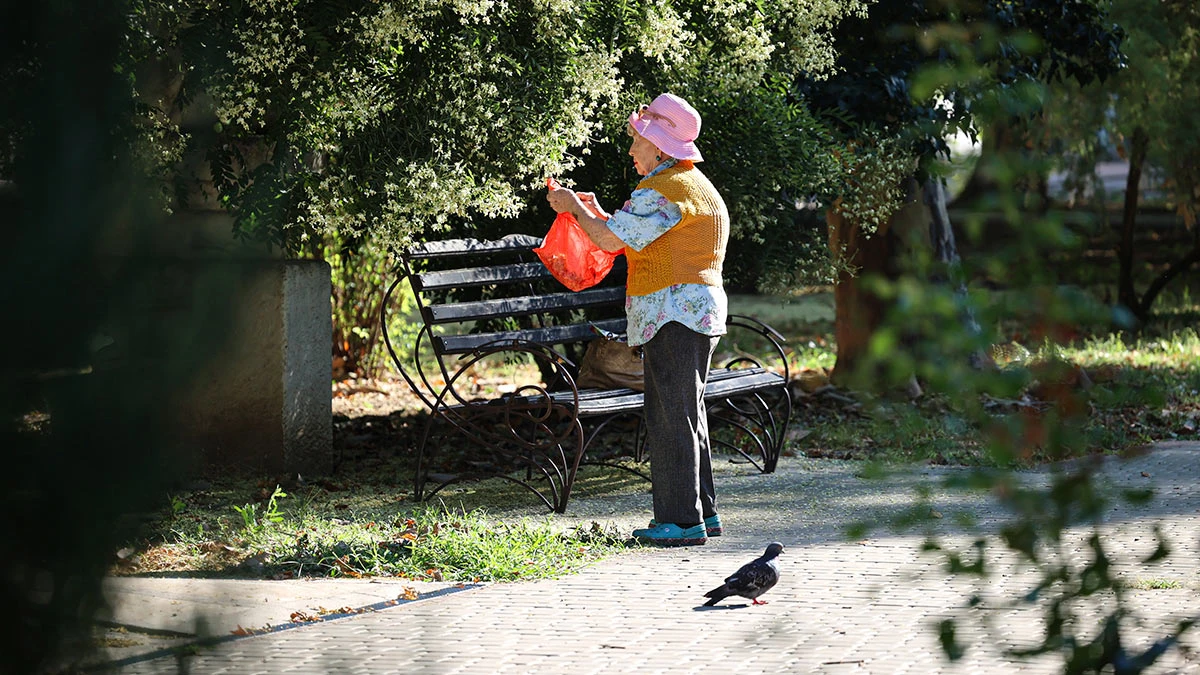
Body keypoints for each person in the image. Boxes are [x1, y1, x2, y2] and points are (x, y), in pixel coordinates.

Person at [546, 93, 729, 547]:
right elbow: (634, 234)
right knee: (687, 412)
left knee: (669, 416)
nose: (632, 150)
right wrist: (592, 211)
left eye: (638, 140)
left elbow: (608, 239)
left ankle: (680, 522)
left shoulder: (663, 190)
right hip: (694, 312)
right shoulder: (691, 185)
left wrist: (572, 206)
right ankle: (701, 515)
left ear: (661, 147)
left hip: (673, 314)